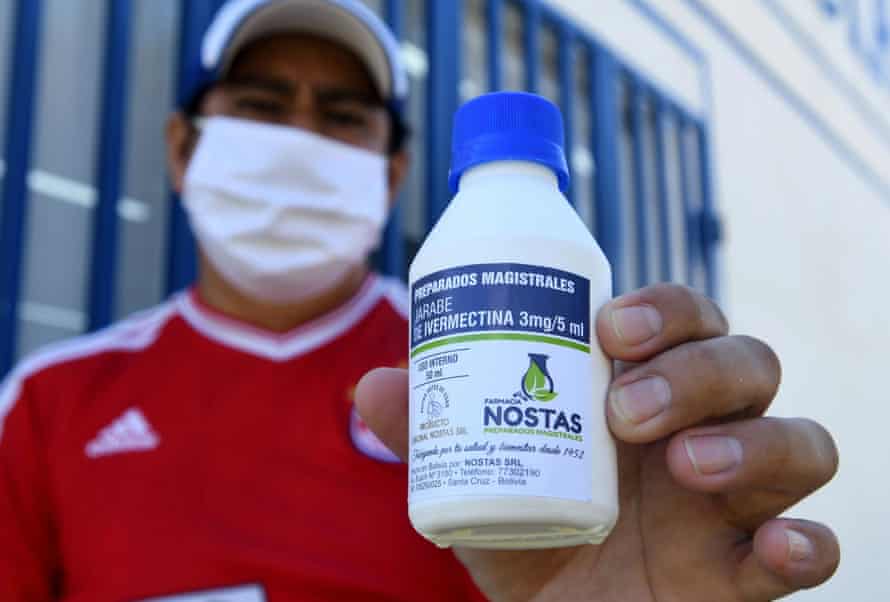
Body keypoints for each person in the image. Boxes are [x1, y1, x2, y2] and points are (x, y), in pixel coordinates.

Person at [0, 0, 839, 600]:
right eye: (260, 107)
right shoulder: (49, 400)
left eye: (342, 116)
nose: (299, 143)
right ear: (184, 148)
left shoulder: (474, 343)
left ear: (393, 173)